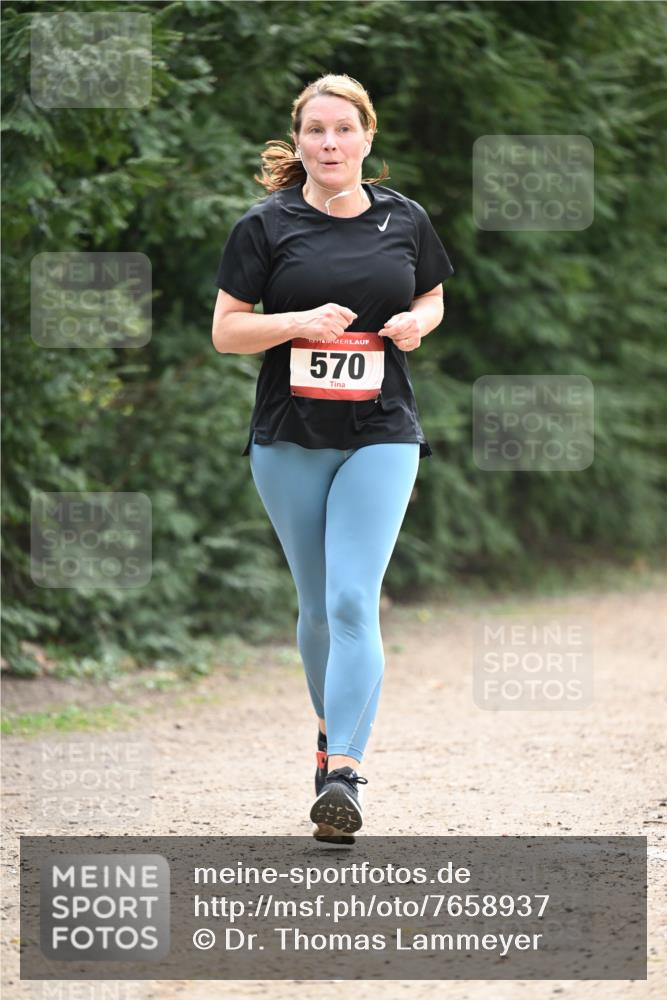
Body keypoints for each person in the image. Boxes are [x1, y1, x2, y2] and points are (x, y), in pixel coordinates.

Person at [212, 73, 454, 844]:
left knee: (354, 600)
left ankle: (343, 771)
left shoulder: (404, 220)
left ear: (366, 139)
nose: (329, 143)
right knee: (316, 608)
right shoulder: (264, 224)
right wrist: (296, 323)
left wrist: (417, 322)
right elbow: (227, 330)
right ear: (300, 139)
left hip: (382, 430)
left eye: (342, 130)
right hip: (288, 437)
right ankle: (330, 731)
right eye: (315, 130)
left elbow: (432, 297)